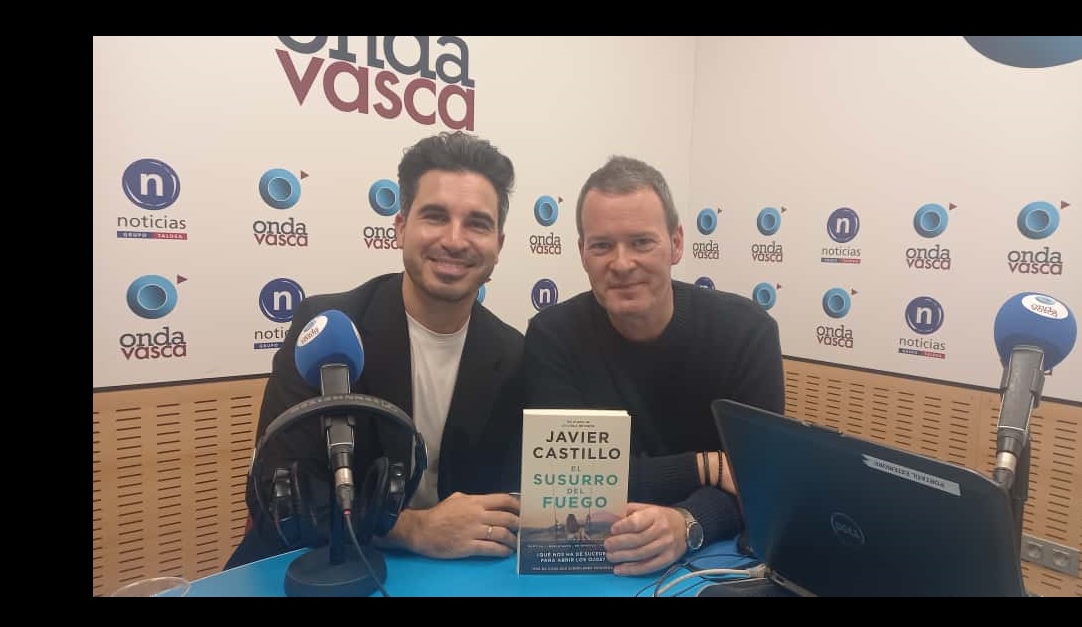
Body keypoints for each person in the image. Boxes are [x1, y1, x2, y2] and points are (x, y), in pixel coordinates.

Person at [225, 131, 524, 569]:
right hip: (325, 566)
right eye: (435, 216)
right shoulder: (326, 327)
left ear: (498, 244)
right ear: (401, 228)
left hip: (454, 573)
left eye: (477, 224)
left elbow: (511, 497)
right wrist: (412, 529)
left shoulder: (513, 353)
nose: (455, 240)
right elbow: (277, 494)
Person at [522, 155, 785, 576]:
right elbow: (565, 484)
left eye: (641, 242)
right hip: (591, 560)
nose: (622, 263)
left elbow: (759, 480)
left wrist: (688, 522)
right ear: (582, 253)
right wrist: (707, 465)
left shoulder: (747, 333)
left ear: (676, 243)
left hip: (711, 559)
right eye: (602, 245)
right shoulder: (552, 336)